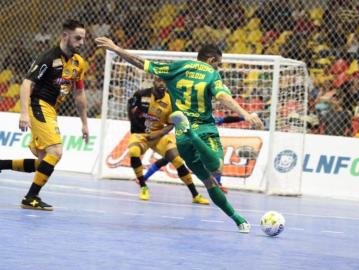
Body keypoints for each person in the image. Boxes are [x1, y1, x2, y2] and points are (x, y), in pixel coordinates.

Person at [95, 37, 264, 233]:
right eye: (218, 64)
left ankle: (238, 220)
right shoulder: (211, 74)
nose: (218, 68)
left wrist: (116, 48)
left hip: (180, 134)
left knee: (209, 183)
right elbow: (222, 96)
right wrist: (245, 114)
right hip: (203, 129)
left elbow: (142, 63)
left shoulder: (178, 67)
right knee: (216, 168)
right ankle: (194, 135)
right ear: (211, 60)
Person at [0, 20, 89, 211]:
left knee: (44, 162)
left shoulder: (78, 63)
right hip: (38, 105)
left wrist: (85, 123)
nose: (82, 43)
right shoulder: (48, 57)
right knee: (56, 151)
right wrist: (23, 113)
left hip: (52, 110)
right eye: (78, 38)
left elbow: (79, 94)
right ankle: (31, 197)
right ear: (65, 36)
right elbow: (26, 83)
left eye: (83, 39)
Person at [128, 76, 209, 205]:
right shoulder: (141, 94)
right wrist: (135, 125)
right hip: (140, 134)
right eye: (160, 80)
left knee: (177, 160)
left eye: (165, 81)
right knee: (133, 151)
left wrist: (159, 133)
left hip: (159, 135)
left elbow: (173, 123)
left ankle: (195, 195)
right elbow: (130, 108)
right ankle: (143, 186)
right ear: (154, 81)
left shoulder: (171, 100)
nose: (162, 84)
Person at [143, 115, 245, 191]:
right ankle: (144, 178)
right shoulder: (188, 118)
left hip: (199, 147)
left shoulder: (207, 119)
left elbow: (226, 119)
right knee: (167, 159)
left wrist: (243, 117)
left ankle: (218, 184)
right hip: (187, 146)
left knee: (216, 162)